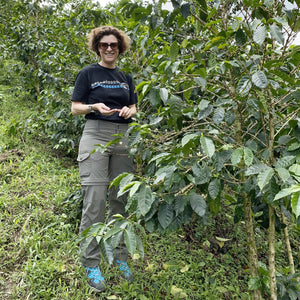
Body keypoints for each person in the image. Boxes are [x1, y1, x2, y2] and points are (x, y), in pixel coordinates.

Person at [71, 25, 137, 293]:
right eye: (104, 45)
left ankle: (120, 256)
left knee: (119, 198)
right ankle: (90, 262)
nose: (109, 48)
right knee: (95, 200)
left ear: (120, 48)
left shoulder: (125, 77)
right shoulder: (88, 73)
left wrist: (129, 111)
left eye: (113, 45)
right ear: (97, 47)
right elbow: (75, 108)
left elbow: (134, 105)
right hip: (95, 134)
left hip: (123, 135)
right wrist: (93, 107)